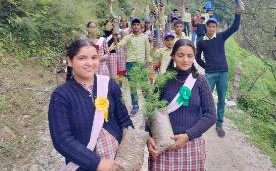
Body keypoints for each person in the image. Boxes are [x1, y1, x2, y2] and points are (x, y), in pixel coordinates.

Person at [48, 39, 133, 171]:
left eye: (94, 58)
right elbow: (62, 140)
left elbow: (124, 119)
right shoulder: (61, 96)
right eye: (82, 58)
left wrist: (132, 152)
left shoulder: (109, 84)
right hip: (85, 165)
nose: (90, 63)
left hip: (117, 161)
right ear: (70, 61)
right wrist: (97, 163)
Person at [148, 39, 216, 171]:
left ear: (194, 57)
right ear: (173, 56)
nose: (185, 60)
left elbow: (211, 115)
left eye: (189, 56)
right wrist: (148, 137)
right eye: (180, 55)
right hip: (164, 145)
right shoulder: (163, 80)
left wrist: (188, 136)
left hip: (191, 145)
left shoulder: (200, 81)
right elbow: (151, 112)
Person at [196, 1, 243, 138]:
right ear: (206, 27)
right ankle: (200, 123)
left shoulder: (221, 37)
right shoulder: (202, 41)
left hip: (223, 72)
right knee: (205, 97)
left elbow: (234, 27)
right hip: (210, 74)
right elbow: (198, 57)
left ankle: (219, 124)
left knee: (222, 99)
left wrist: (238, 12)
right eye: (209, 26)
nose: (211, 28)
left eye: (214, 26)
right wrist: (206, 66)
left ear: (216, 27)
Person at [114, 17, 152, 116]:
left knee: (144, 84)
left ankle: (149, 104)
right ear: (131, 26)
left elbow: (148, 52)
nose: (136, 26)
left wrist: (149, 64)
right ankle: (135, 106)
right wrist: (115, 38)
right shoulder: (128, 37)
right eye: (134, 25)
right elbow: (118, 46)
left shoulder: (144, 38)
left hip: (141, 64)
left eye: (137, 24)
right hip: (130, 63)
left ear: (140, 26)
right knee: (133, 86)